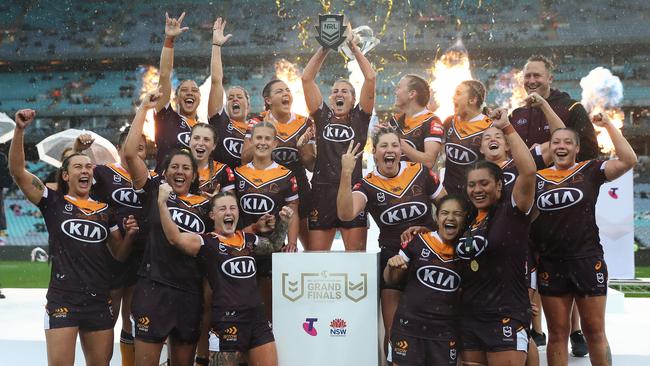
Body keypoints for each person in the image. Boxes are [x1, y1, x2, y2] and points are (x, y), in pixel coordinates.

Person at [9, 109, 138, 366]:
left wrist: (131, 236)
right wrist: (20, 130)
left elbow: (120, 255)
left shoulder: (106, 211)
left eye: (89, 166)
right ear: (66, 175)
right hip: (63, 299)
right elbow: (18, 172)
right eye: (78, 166)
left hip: (99, 300)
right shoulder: (52, 201)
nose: (85, 170)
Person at [533, 114, 636, 366]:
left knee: (594, 332)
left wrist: (607, 125)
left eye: (568, 142)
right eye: (556, 141)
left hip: (586, 260)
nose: (561, 146)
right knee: (557, 334)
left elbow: (629, 160)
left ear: (577, 148)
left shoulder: (590, 169)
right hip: (551, 263)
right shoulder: (536, 178)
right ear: (550, 147)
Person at [336, 128, 445, 358]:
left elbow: (450, 210)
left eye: (394, 145)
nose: (390, 150)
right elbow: (346, 214)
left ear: (401, 150)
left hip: (430, 255)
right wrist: (346, 174)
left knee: (436, 326)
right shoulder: (367, 184)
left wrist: (430, 228)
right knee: (394, 330)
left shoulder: (421, 172)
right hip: (392, 258)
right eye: (383, 146)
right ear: (375, 153)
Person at [157, 186, 290, 366]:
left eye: (232, 208)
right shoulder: (206, 242)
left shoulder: (248, 239)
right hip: (228, 322)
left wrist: (284, 222)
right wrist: (162, 204)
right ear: (212, 215)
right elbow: (175, 238)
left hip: (257, 320)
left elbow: (274, 245)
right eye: (222, 209)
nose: (229, 212)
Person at [125, 90, 211, 366]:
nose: (180, 171)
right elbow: (129, 154)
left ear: (194, 175)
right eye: (174, 166)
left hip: (189, 291)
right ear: (165, 171)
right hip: (154, 288)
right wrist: (143, 109)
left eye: (186, 168)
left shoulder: (206, 205)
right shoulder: (154, 189)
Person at [457, 110, 537, 366]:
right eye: (472, 185)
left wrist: (507, 128)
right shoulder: (467, 219)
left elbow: (529, 172)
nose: (477, 189)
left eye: (484, 183)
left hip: (505, 314)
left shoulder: (513, 210)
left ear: (499, 186)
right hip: (470, 316)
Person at [75, 129, 155, 366]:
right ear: (120, 149)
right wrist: (79, 149)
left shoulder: (152, 177)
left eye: (142, 146)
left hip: (142, 254)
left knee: (133, 315)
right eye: (132, 145)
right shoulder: (104, 171)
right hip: (111, 252)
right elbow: (72, 169)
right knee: (108, 313)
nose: (137, 149)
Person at [301, 34, 375, 251]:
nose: (338, 94)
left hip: (353, 190)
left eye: (345, 91)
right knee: (317, 260)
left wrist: (354, 48)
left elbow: (370, 78)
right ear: (330, 99)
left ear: (353, 99)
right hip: (322, 191)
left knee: (356, 260)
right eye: (334, 91)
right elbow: (307, 79)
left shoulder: (360, 118)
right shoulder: (322, 116)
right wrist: (325, 47)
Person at [384, 195, 469, 366]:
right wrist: (392, 266)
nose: (450, 218)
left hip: (445, 333)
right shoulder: (418, 241)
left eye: (457, 214)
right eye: (445, 213)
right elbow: (390, 280)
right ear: (437, 218)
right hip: (409, 328)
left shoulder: (468, 249)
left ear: (465, 218)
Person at [234, 121, 300, 322]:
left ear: (275, 143)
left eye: (267, 138)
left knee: (269, 305)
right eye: (259, 138)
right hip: (245, 245)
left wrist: (292, 242)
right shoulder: (237, 174)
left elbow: (294, 211)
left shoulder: (286, 175)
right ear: (251, 141)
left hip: (273, 249)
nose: (262, 142)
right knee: (243, 304)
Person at [243, 79, 316, 250]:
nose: (285, 94)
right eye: (279, 91)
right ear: (268, 100)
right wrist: (263, 136)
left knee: (308, 247)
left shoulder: (304, 123)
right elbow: (244, 160)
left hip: (298, 185)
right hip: (267, 185)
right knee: (270, 245)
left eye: (287, 90)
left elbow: (311, 166)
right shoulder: (256, 122)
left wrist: (303, 146)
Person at [509, 55, 598, 162]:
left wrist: (546, 153)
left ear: (550, 79)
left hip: (562, 177)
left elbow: (590, 152)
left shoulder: (572, 108)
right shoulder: (515, 115)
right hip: (526, 178)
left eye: (537, 76)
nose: (531, 81)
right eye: (527, 76)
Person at [153, 11, 202, 173]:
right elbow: (165, 74)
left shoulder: (205, 129)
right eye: (184, 90)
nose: (190, 93)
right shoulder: (166, 116)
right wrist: (169, 40)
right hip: (164, 188)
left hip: (195, 193)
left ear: (199, 98)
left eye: (194, 90)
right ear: (176, 97)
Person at [207, 17, 254, 170]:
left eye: (239, 97)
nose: (234, 99)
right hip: (221, 187)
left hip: (249, 187)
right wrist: (216, 45)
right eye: (230, 97)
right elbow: (216, 81)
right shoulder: (220, 122)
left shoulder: (257, 129)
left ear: (249, 104)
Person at [442, 80, 493, 196]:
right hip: (450, 193)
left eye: (458, 93)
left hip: (476, 195)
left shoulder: (489, 127)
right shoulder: (449, 121)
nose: (453, 97)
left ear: (473, 100)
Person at [389, 74, 444, 169]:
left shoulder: (432, 121)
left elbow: (429, 161)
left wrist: (398, 142)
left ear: (412, 94)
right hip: (394, 181)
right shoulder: (394, 120)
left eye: (398, 88)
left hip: (419, 182)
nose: (395, 92)